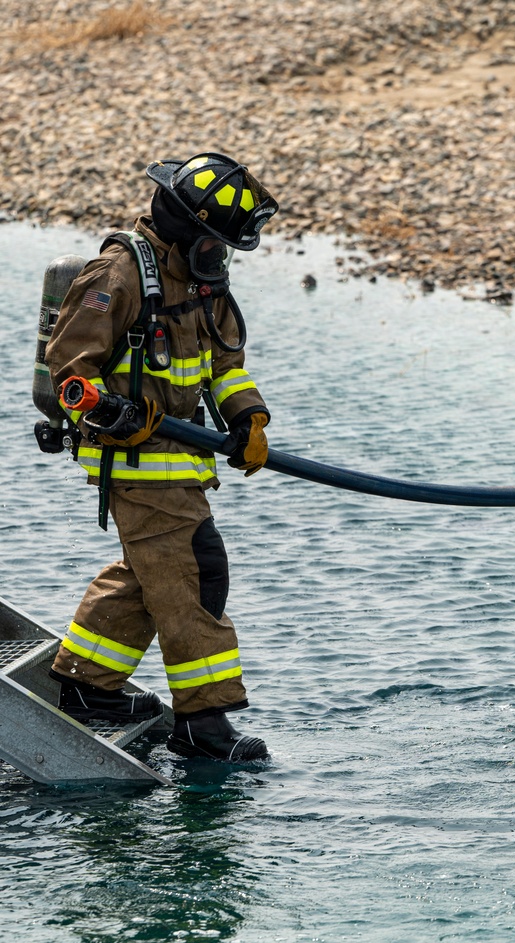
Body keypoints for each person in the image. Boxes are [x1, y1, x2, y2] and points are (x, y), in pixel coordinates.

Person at [44, 152, 279, 762]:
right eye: (212, 240)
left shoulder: (200, 282)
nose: (219, 255)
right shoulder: (118, 274)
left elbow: (224, 363)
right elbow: (70, 371)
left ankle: (86, 685)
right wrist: (113, 413)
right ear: (184, 225)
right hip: (136, 465)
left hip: (179, 465)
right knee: (195, 575)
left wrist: (247, 416)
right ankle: (202, 725)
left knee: (151, 574)